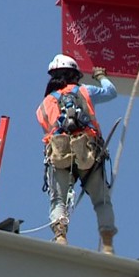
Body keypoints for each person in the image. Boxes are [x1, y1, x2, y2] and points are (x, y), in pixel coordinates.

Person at [36, 54, 118, 254]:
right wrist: (100, 76)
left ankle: (61, 236)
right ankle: (107, 245)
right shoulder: (85, 91)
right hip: (88, 151)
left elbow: (47, 129)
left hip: (59, 153)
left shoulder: (43, 105)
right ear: (74, 75)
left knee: (58, 200)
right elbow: (111, 92)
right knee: (101, 200)